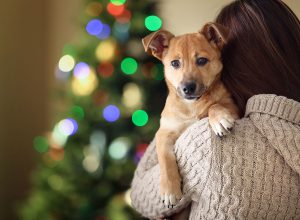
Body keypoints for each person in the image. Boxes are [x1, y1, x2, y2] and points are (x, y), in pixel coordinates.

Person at [130, 0, 300, 219]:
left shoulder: (208, 142)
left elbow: (140, 194)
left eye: (202, 61)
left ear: (228, 59)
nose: (187, 77)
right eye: (176, 64)